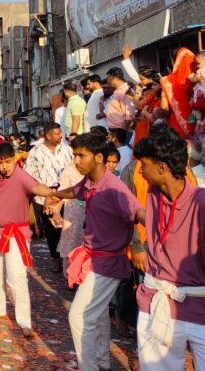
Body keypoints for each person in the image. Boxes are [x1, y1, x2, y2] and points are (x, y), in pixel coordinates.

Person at [133, 128, 205, 369]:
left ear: (161, 168)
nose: (141, 171)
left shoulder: (203, 199)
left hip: (202, 305)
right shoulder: (155, 193)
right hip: (157, 302)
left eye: (144, 165)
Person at [47, 133, 144, 371]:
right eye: (75, 155)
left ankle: (90, 366)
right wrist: (55, 194)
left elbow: (137, 212)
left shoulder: (114, 188)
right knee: (98, 315)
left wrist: (157, 225)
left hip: (107, 263)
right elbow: (75, 191)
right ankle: (102, 362)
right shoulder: (90, 181)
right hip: (94, 259)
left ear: (99, 157)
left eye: (81, 156)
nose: (76, 161)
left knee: (79, 317)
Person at [0, 141, 55, 338]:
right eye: (0, 162)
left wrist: (53, 193)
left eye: (8, 162)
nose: (4, 166)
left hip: (16, 234)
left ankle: (24, 321)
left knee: (16, 277)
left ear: (14, 159)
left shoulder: (21, 176)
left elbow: (37, 187)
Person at [24, 122, 73, 273]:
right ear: (48, 135)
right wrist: (43, 193)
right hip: (44, 198)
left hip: (66, 196)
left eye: (61, 133)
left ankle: (67, 258)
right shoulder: (36, 152)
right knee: (52, 230)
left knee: (67, 228)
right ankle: (55, 257)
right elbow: (29, 175)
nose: (60, 136)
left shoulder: (68, 150)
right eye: (57, 134)